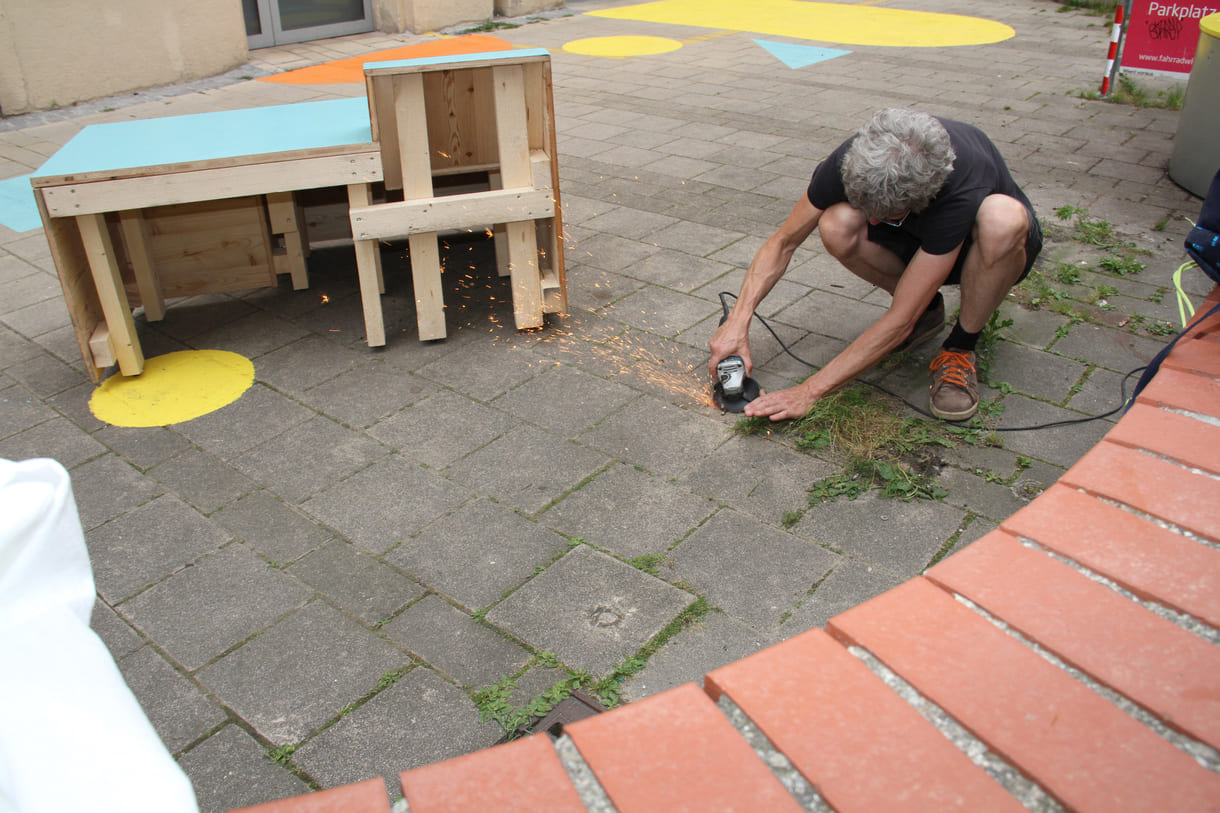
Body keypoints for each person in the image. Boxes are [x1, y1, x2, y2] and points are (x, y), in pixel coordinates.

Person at [708, 108, 1042, 422]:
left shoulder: (961, 184)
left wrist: (809, 391)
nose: (873, 220)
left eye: (885, 214)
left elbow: (900, 320)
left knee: (1002, 219)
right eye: (866, 207)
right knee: (837, 224)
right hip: (920, 240)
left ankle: (959, 348)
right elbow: (783, 241)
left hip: (981, 252)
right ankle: (929, 309)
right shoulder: (853, 158)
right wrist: (738, 320)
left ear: (926, 196)